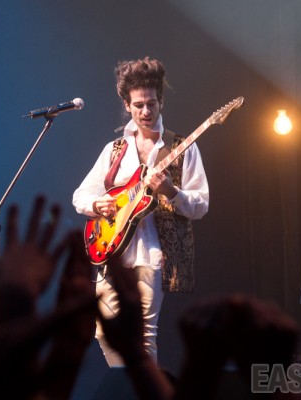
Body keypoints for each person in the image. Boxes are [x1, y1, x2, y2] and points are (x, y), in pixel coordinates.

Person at [72, 56, 209, 367]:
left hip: (153, 254)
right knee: (104, 332)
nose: (146, 111)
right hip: (111, 252)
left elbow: (201, 204)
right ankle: (129, 384)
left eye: (151, 104)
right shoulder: (114, 150)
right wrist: (97, 204)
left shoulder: (181, 146)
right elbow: (80, 195)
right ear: (127, 105)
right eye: (138, 105)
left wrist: (172, 192)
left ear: (160, 101)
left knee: (143, 335)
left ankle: (142, 388)